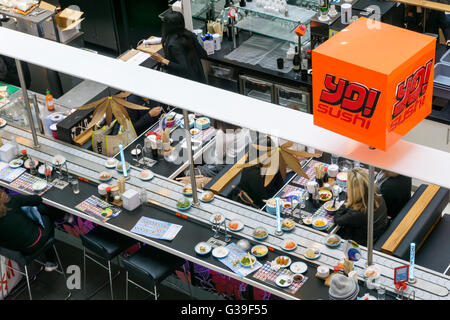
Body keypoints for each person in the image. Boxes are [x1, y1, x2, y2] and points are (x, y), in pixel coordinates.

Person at [0, 191, 68, 271]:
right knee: (42, 210)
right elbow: (37, 199)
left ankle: (63, 216)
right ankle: (51, 260)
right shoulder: (10, 200)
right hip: (37, 240)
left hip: (18, 252)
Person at [148, 10, 207, 84]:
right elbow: (203, 54)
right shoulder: (190, 35)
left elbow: (183, 68)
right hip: (198, 77)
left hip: (184, 82)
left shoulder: (173, 44)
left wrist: (162, 60)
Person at [334, 168, 388, 246]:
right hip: (379, 230)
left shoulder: (358, 212)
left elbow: (337, 220)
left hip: (363, 242)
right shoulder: (376, 192)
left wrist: (349, 199)